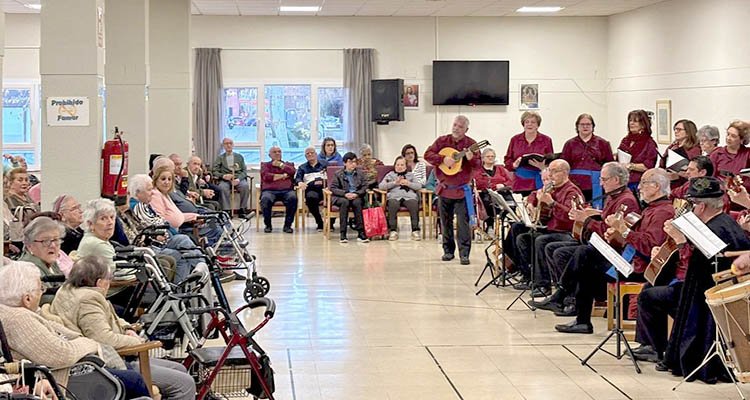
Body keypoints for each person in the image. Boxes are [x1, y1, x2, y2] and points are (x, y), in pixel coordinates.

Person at [42, 256, 196, 399]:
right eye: (109, 279)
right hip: (111, 361)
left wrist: (127, 328)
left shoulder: (70, 291)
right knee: (185, 383)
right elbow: (103, 339)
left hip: (111, 355)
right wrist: (138, 343)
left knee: (180, 369)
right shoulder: (88, 300)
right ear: (100, 282)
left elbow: (111, 318)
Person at [0, 262, 151, 399]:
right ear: (27, 299)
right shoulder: (19, 319)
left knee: (131, 374)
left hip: (63, 371)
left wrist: (82, 340)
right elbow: (61, 354)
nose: (43, 292)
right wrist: (90, 344)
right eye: (41, 288)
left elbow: (59, 330)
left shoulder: (15, 311)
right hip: (61, 378)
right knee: (135, 380)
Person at [555, 168, 674, 334]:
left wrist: (624, 231)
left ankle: (566, 297)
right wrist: (618, 234)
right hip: (629, 259)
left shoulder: (663, 212)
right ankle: (580, 317)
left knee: (585, 255)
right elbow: (636, 236)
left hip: (640, 268)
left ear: (655, 187)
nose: (639, 187)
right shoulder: (650, 208)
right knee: (585, 259)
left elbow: (648, 246)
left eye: (643, 183)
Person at [661, 177, 750, 382]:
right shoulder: (722, 222)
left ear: (700, 206)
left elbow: (709, 260)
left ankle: (699, 361)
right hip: (706, 282)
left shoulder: (717, 227)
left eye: (692, 204)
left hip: (714, 288)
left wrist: (682, 241)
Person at [533, 162, 640, 315]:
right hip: (601, 244)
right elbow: (605, 221)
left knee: (571, 253)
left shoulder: (626, 201)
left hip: (614, 253)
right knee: (554, 249)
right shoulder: (612, 196)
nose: (601, 183)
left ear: (616, 180)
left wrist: (587, 220)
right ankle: (565, 297)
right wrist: (592, 213)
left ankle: (569, 299)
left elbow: (613, 234)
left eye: (604, 179)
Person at [509, 159, 583, 295]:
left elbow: (570, 218)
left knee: (540, 241)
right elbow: (534, 194)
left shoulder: (572, 191)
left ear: (565, 173)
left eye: (554, 171)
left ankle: (544, 285)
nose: (550, 175)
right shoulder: (552, 187)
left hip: (565, 231)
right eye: (549, 170)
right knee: (523, 238)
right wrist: (531, 203)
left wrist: (552, 203)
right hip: (551, 228)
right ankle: (529, 276)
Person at [423, 115, 481, 265]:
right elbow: (427, 155)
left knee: (463, 223)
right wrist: (443, 159)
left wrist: (470, 158)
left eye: (460, 126)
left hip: (461, 190)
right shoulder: (442, 141)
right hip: (444, 188)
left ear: (466, 129)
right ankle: (448, 251)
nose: (456, 128)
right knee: (445, 222)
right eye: (455, 125)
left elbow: (478, 165)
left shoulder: (471, 144)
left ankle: (464, 254)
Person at [560, 113, 614, 202]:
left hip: (596, 185)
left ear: (593, 126)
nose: (585, 127)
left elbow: (610, 165)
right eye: (582, 124)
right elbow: (564, 165)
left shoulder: (603, 143)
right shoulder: (569, 144)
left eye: (588, 124)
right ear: (577, 127)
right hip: (575, 184)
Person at [503, 111, 554, 195]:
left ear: (538, 125)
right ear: (523, 124)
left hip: (540, 180)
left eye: (533, 122)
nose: (529, 124)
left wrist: (543, 167)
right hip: (520, 182)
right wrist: (514, 165)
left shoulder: (546, 140)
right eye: (527, 122)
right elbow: (507, 160)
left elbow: (551, 161)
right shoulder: (515, 140)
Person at [18, 216, 65, 304]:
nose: (53, 245)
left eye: (56, 240)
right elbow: (45, 299)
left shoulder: (52, 263)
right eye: (45, 241)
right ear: (29, 245)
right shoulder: (28, 268)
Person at [379, 156, 422, 241]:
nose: (399, 167)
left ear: (406, 166)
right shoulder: (390, 175)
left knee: (413, 204)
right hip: (394, 196)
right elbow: (381, 186)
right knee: (393, 204)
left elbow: (419, 186)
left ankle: (415, 230)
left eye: (402, 165)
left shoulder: (411, 175)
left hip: (409, 196)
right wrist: (394, 183)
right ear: (395, 165)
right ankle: (393, 230)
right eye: (397, 165)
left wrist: (408, 183)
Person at [330, 152, 369, 243]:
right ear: (344, 163)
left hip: (356, 196)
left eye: (355, 162)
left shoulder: (360, 173)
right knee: (345, 202)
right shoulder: (338, 174)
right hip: (342, 197)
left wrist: (357, 194)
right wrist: (345, 194)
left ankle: (361, 233)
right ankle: (343, 234)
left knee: (357, 202)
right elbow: (333, 188)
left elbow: (365, 186)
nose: (353, 164)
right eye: (350, 162)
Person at [618, 109, 659, 191]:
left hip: (638, 183)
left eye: (635, 121)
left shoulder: (649, 143)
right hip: (622, 181)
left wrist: (631, 166)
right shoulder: (625, 140)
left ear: (643, 125)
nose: (631, 123)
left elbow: (649, 166)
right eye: (630, 120)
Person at [260, 146, 298, 234]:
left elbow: (292, 172)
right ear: (269, 155)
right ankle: (268, 225)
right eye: (274, 152)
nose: (277, 153)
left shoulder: (288, 164)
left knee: (293, 198)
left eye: (279, 151)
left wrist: (281, 165)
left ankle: (287, 226)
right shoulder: (265, 165)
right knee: (265, 199)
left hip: (287, 190)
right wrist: (283, 176)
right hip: (269, 191)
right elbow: (266, 176)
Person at [473, 148, 512, 232]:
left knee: (511, 203)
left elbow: (510, 181)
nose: (490, 158)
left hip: (502, 191)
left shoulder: (501, 169)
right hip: (486, 193)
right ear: (483, 158)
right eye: (488, 156)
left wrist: (503, 185)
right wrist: (493, 186)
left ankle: (508, 222)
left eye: (492, 156)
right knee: (488, 202)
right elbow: (478, 183)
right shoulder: (478, 171)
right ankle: (490, 225)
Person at [212, 137, 251, 216]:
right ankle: (227, 210)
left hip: (237, 178)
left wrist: (238, 179)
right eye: (226, 144)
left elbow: (244, 171)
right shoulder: (220, 158)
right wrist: (223, 176)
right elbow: (214, 171)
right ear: (223, 145)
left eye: (230, 143)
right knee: (222, 188)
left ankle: (242, 209)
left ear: (233, 145)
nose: (229, 145)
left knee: (245, 186)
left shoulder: (239, 157)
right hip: (226, 179)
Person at [659, 119, 700, 189]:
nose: (675, 131)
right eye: (675, 129)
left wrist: (678, 175)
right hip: (668, 183)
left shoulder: (694, 150)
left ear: (688, 132)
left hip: (683, 185)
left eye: (679, 130)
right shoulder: (672, 146)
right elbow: (662, 162)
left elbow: (695, 171)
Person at [295, 146, 327, 232]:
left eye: (312, 153)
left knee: (334, 198)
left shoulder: (324, 164)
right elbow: (298, 179)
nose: (310, 155)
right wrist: (300, 182)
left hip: (325, 190)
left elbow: (333, 176)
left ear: (316, 154)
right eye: (307, 154)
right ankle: (319, 222)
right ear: (305, 156)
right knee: (310, 198)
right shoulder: (302, 168)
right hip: (312, 190)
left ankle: (330, 224)